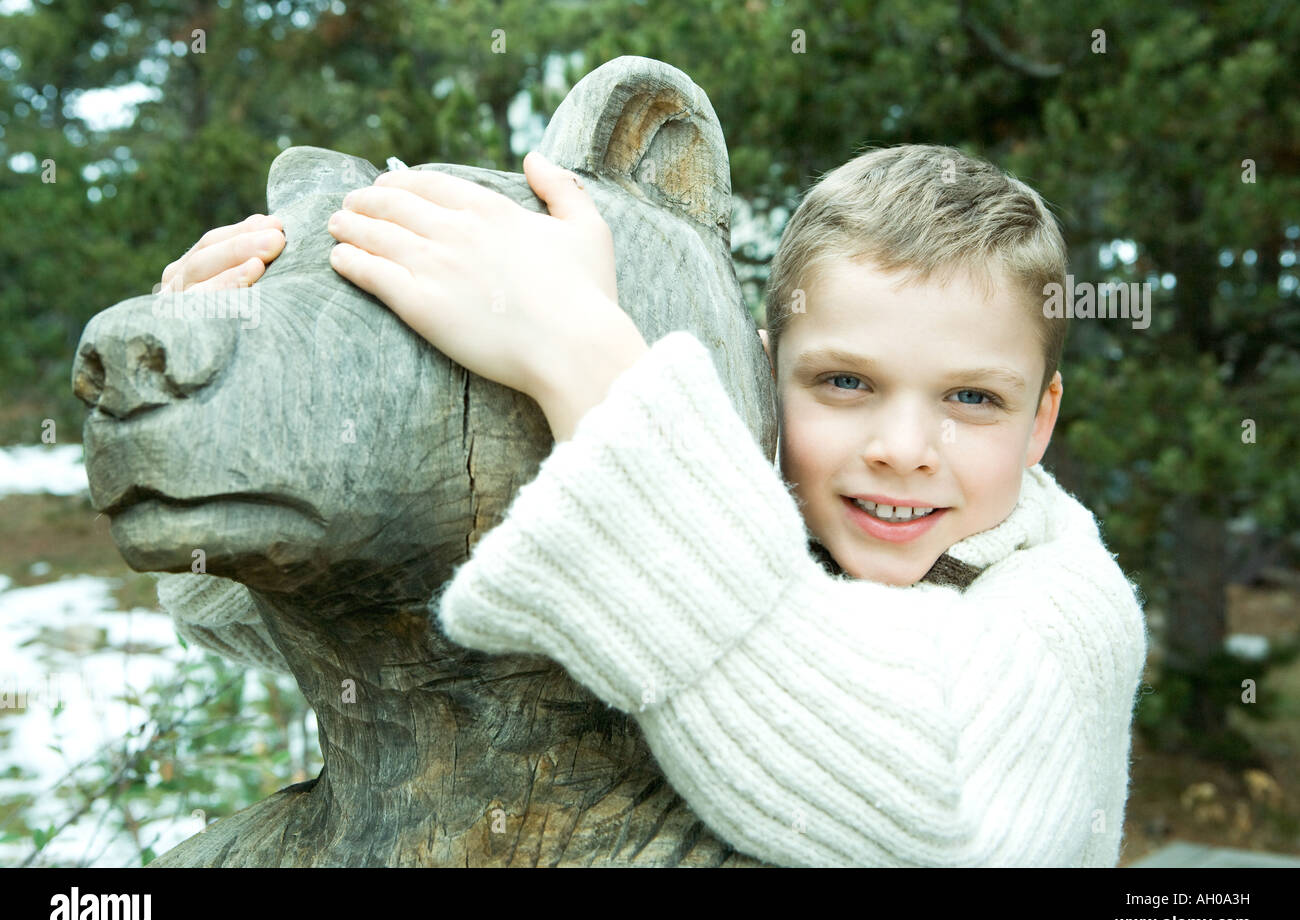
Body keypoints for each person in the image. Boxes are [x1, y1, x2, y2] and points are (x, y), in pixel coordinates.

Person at [152, 144, 1148, 867]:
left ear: (1038, 421)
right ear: (766, 378)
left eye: (972, 399)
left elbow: (943, 814)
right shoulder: (728, 499)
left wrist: (584, 355)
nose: (900, 448)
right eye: (844, 382)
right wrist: (220, 411)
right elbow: (392, 622)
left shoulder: (1066, 608)